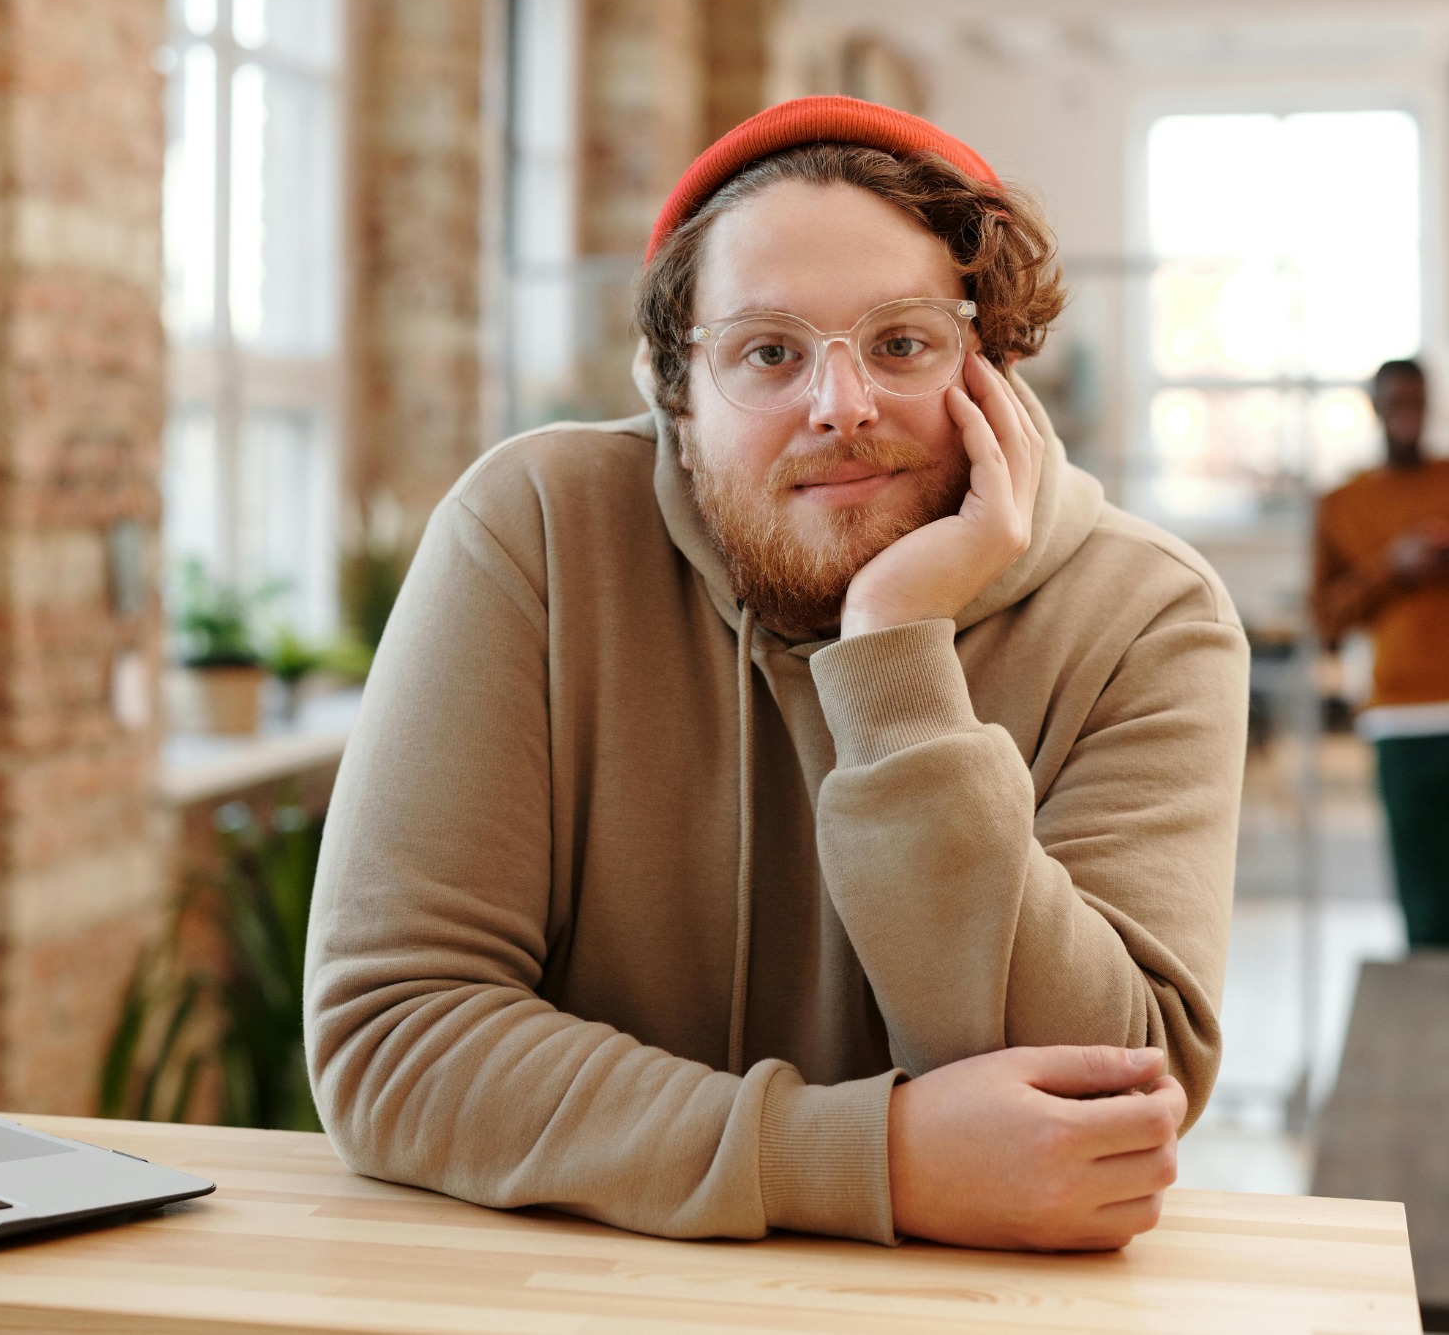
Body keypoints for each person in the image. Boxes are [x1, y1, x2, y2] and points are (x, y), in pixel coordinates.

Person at [305, 97, 1249, 1252]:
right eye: (767, 352)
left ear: (991, 369)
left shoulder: (1149, 618)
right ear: (677, 399)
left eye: (901, 343)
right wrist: (871, 1159)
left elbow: (1101, 1113)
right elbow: (394, 1036)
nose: (839, 406)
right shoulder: (535, 535)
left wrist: (893, 650)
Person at [1311, 359, 1449, 948]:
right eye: (1395, 401)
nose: (1407, 412)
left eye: (1417, 399)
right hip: (1404, 720)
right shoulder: (1342, 503)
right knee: (1436, 914)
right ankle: (1442, 1031)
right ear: (1377, 408)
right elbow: (1326, 620)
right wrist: (1392, 567)